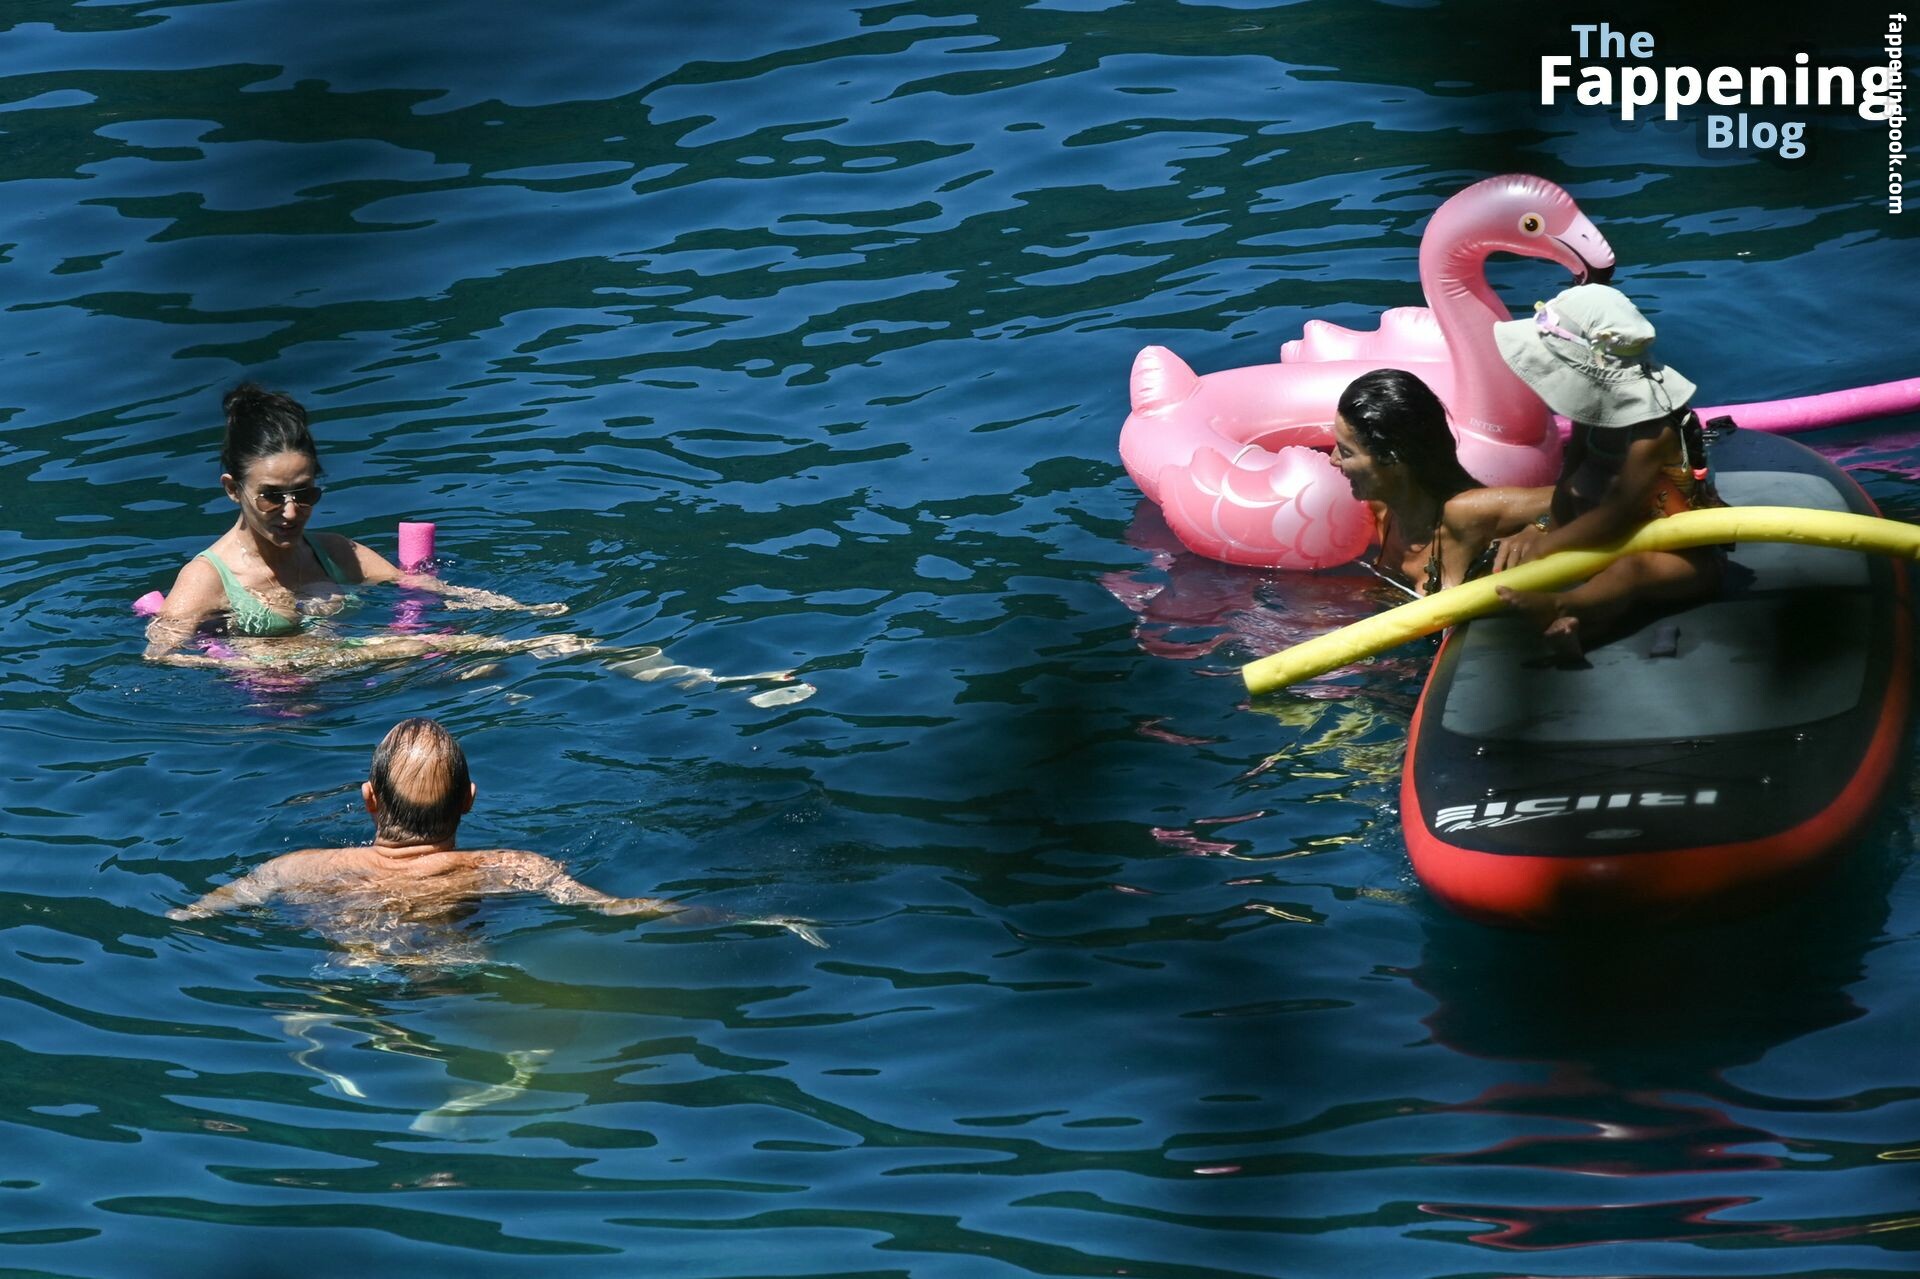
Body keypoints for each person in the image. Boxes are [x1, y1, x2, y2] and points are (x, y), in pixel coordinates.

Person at [167, 717, 824, 949]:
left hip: (345, 956)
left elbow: (196, 915)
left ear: (368, 801)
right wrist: (755, 916)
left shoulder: (297, 867)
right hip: (450, 968)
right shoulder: (512, 866)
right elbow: (620, 909)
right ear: (470, 801)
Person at [143, 383, 576, 670]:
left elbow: (419, 585)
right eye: (272, 496)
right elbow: (160, 655)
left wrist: (519, 609)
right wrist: (257, 661)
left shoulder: (334, 552)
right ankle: (550, 651)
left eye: (305, 494)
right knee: (445, 654)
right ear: (232, 489)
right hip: (276, 710)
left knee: (483, 669)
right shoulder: (206, 578)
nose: (291, 513)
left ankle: (553, 655)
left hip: (354, 675)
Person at [1485, 284, 1723, 654]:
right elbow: (1567, 478)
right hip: (1610, 545)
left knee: (1630, 573)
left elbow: (1617, 514)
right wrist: (1548, 531)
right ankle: (1579, 628)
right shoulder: (1592, 413)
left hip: (1682, 559)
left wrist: (1545, 550)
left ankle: (1563, 607)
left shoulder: (1652, 434)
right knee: (1579, 499)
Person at [1332, 368, 1549, 596]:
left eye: (1346, 452)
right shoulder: (1382, 513)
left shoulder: (1464, 513)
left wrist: (1541, 527)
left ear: (1392, 459)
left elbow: (1574, 497)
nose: (1333, 460)